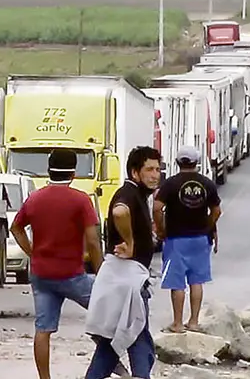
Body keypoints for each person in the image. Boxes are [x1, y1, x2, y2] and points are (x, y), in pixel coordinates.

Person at [11, 149, 103, 379]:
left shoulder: (35, 198)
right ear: (73, 173)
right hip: (72, 274)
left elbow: (16, 227)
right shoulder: (81, 200)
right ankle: (109, 363)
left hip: (41, 274)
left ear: (49, 170)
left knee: (43, 329)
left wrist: (32, 253)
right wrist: (102, 272)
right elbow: (93, 241)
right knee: (106, 313)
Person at [86, 146, 162, 379]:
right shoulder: (127, 193)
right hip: (126, 280)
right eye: (149, 169)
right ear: (135, 173)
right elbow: (119, 212)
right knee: (132, 335)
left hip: (128, 279)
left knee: (125, 337)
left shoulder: (139, 196)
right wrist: (129, 242)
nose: (155, 174)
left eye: (158, 169)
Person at [153, 146, 222, 334]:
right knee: (196, 281)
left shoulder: (170, 184)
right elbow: (216, 210)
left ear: (177, 162)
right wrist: (209, 226)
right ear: (196, 162)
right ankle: (193, 321)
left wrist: (160, 229)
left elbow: (157, 207)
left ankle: (177, 323)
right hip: (200, 238)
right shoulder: (207, 183)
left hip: (176, 238)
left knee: (177, 282)